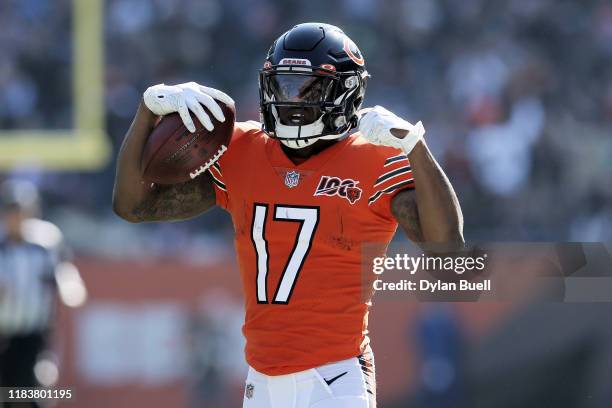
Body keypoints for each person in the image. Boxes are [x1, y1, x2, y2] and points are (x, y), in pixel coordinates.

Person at [113, 23, 463, 408]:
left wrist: (417, 148)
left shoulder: (376, 158)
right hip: (260, 380)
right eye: (283, 85)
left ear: (345, 91)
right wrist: (148, 109)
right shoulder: (240, 148)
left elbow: (448, 256)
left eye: (305, 88)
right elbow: (132, 206)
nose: (290, 100)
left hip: (336, 376)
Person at [0, 180, 86, 407]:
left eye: (22, 212)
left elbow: (64, 271)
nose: (17, 219)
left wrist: (70, 288)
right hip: (3, 335)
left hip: (33, 336)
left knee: (31, 394)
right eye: (12, 212)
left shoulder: (45, 243)